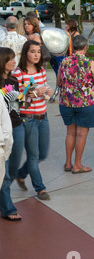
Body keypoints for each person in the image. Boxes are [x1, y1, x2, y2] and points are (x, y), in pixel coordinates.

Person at [12, 40, 53, 200]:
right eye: (32, 51)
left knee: (42, 154)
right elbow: (16, 100)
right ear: (25, 53)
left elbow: (45, 87)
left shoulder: (41, 70)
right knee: (33, 156)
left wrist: (47, 90)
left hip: (43, 117)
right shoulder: (18, 73)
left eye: (38, 51)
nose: (36, 54)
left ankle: (21, 174)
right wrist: (33, 93)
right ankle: (40, 188)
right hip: (27, 119)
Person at [56, 35, 94, 173]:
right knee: (81, 134)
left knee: (70, 132)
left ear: (73, 47)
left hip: (66, 102)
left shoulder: (64, 62)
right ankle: (77, 165)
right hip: (85, 103)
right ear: (85, 47)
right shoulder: (90, 63)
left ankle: (68, 163)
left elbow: (58, 83)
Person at [0, 48, 18, 221]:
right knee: (4, 172)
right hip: (3, 129)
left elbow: (19, 102)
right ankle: (7, 207)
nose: (14, 62)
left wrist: (35, 94)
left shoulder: (13, 80)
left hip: (16, 126)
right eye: (10, 59)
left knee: (12, 168)